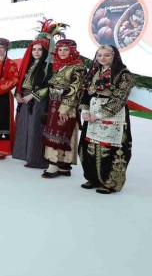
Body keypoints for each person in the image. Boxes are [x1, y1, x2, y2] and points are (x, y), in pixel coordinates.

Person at [77, 45, 133, 194]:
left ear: (114, 56)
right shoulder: (94, 72)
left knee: (111, 149)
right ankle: (93, 178)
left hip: (113, 115)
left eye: (106, 55)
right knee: (88, 146)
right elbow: (85, 92)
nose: (102, 58)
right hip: (92, 114)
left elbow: (120, 98)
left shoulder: (124, 74)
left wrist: (99, 114)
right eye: (99, 55)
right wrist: (85, 111)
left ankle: (110, 183)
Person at [42, 38, 86, 178]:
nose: (62, 52)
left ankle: (53, 165)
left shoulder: (78, 67)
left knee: (62, 132)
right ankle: (64, 166)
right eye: (60, 50)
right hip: (54, 103)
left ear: (72, 51)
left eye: (66, 50)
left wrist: (65, 108)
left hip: (66, 105)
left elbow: (76, 89)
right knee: (56, 131)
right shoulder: (59, 65)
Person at [12, 35, 52, 169]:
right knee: (23, 126)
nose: (36, 52)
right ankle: (25, 155)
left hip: (37, 100)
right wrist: (18, 93)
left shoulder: (48, 66)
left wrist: (32, 96)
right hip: (24, 98)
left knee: (35, 128)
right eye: (34, 49)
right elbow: (21, 82)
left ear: (45, 51)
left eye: (40, 49)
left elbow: (49, 86)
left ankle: (36, 160)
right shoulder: (28, 64)